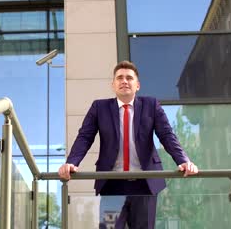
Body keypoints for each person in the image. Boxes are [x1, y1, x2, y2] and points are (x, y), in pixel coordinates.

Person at [58, 61, 198, 229]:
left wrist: (182, 160)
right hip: (112, 184)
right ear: (113, 84)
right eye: (120, 78)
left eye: (129, 78)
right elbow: (85, 137)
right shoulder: (99, 107)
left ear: (137, 85)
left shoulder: (151, 105)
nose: (124, 81)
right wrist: (72, 162)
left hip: (145, 184)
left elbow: (166, 135)